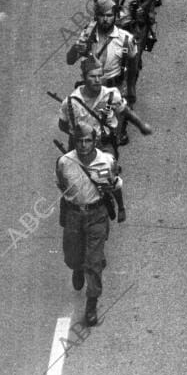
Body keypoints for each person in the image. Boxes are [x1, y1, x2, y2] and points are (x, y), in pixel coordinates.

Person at [56, 123, 123, 325]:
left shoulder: (106, 161)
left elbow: (116, 185)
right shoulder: (64, 162)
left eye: (88, 141)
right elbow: (61, 184)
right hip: (74, 215)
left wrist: (122, 208)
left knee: (94, 263)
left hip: (97, 213)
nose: (84, 145)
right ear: (74, 142)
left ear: (95, 141)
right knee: (72, 257)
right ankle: (77, 267)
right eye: (79, 141)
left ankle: (91, 306)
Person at [58, 57, 152, 186]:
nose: (97, 80)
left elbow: (125, 111)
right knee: (75, 178)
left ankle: (109, 193)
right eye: (92, 76)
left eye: (99, 76)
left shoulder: (111, 95)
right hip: (80, 145)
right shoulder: (70, 102)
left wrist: (141, 125)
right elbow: (62, 125)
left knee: (108, 174)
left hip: (103, 143)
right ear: (83, 77)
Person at [67, 0, 139, 123]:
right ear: (96, 16)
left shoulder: (125, 39)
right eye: (101, 15)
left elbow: (133, 66)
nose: (105, 19)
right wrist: (77, 47)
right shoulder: (87, 36)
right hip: (91, 87)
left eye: (109, 15)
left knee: (116, 127)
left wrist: (131, 88)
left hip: (114, 86)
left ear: (115, 16)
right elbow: (70, 60)